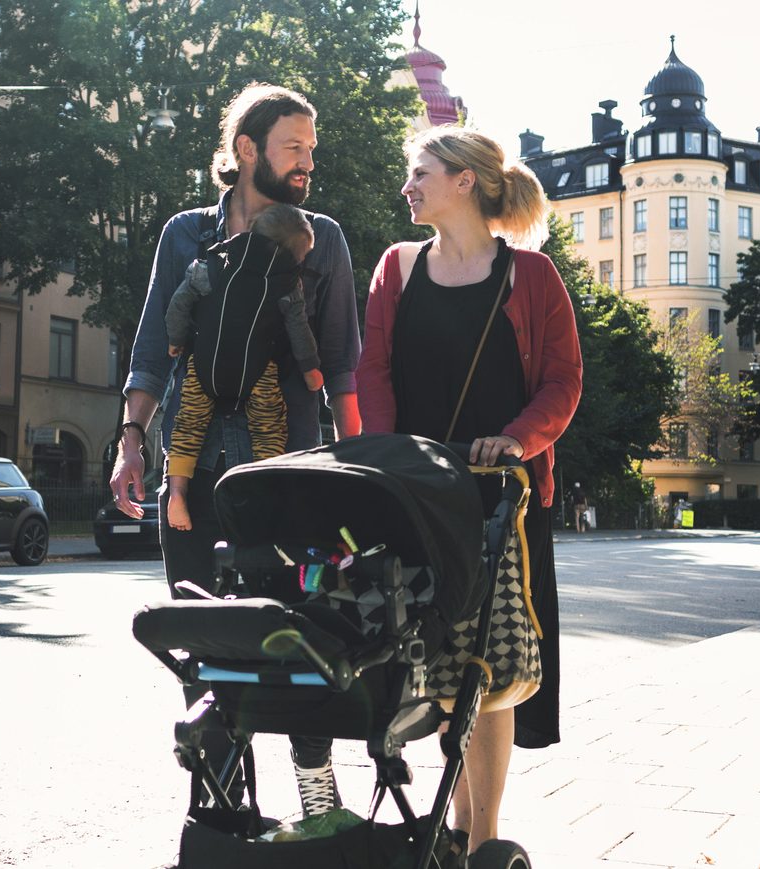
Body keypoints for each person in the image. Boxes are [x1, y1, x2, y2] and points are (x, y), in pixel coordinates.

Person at [109, 83, 363, 819]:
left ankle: (316, 796)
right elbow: (154, 345)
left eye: (311, 149)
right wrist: (130, 439)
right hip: (191, 468)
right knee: (201, 634)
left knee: (297, 632)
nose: (307, 162)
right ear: (247, 150)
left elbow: (341, 360)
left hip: (288, 475)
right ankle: (220, 803)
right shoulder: (184, 235)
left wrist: (355, 461)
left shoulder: (325, 239)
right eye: (294, 147)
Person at [354, 126, 582, 851]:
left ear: (463, 180)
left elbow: (561, 381)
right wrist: (390, 459)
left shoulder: (533, 277)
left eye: (419, 171)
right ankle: (452, 829)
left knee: (490, 660)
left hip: (501, 499)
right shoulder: (395, 267)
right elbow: (374, 374)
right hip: (416, 493)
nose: (406, 185)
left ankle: (481, 836)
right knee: (428, 659)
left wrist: (517, 437)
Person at [162, 204, 325, 531]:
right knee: (269, 426)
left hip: (203, 365)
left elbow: (179, 303)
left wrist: (176, 340)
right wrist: (311, 370)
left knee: (188, 426)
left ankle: (177, 492)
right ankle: (265, 487)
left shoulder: (212, 263)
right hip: (258, 370)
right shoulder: (287, 283)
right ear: (291, 254)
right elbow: (298, 330)